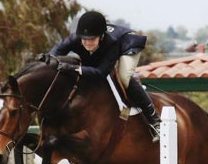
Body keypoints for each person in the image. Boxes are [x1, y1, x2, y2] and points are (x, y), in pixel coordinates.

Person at [49, 11, 161, 142]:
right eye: (84, 39)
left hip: (126, 44)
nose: (88, 42)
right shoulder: (74, 39)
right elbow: (54, 55)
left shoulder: (112, 43)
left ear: (101, 36)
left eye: (92, 39)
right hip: (104, 48)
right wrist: (46, 60)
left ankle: (155, 121)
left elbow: (101, 73)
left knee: (124, 77)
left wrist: (75, 69)